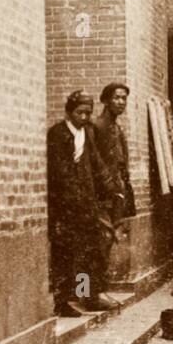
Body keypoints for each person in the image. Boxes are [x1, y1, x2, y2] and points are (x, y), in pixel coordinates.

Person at [47, 90, 119, 316]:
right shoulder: (58, 134)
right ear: (69, 112)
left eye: (88, 112)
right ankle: (64, 300)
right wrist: (73, 197)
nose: (85, 117)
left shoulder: (86, 134)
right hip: (65, 208)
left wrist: (111, 187)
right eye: (80, 112)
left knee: (89, 253)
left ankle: (85, 295)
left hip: (86, 206)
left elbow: (96, 164)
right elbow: (60, 172)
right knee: (65, 255)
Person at [90, 82, 137, 227]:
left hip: (117, 193)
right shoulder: (95, 126)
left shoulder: (117, 129)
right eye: (117, 98)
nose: (121, 102)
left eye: (124, 99)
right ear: (105, 100)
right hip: (101, 193)